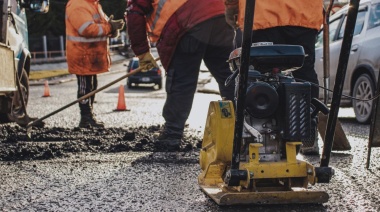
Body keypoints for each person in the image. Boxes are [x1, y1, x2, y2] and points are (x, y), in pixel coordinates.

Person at [125, 0, 236, 151]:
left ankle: (172, 133)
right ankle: (241, 130)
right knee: (229, 76)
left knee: (182, 80)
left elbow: (134, 12)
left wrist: (142, 51)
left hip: (187, 22)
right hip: (219, 14)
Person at [225, 0, 323, 155]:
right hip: (303, 12)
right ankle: (307, 134)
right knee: (304, 72)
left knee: (258, 73)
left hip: (262, 11)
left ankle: (257, 137)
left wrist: (231, 5)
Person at [65, 0, 124, 128]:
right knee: (85, 87)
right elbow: (87, 29)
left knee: (91, 86)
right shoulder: (78, 5)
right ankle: (86, 118)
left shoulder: (94, 5)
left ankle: (89, 116)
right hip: (82, 55)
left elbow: (101, 25)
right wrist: (110, 27)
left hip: (90, 55)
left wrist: (112, 28)